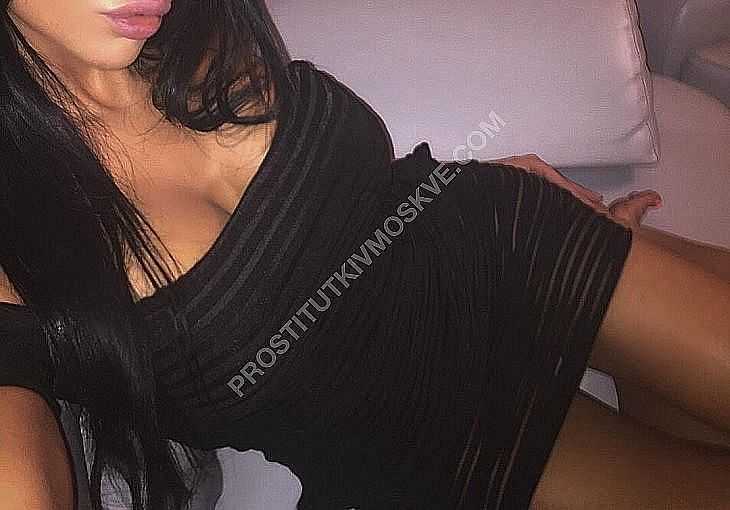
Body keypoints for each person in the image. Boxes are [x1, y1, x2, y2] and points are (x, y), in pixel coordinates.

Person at [1, 1, 729, 509]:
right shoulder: (17, 222)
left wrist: (486, 178)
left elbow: (356, 199)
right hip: (443, 440)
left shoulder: (190, 27)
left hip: (513, 246)